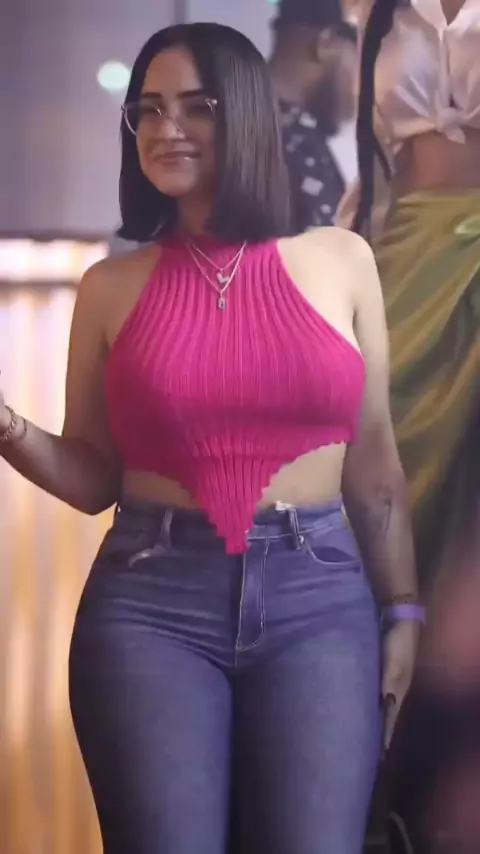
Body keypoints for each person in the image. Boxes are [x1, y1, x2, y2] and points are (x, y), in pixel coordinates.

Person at [0, 23, 421, 854]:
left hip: (321, 602)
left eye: (198, 107)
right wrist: (8, 428)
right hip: (152, 605)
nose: (167, 129)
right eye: (149, 110)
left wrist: (403, 608)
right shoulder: (109, 287)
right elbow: (93, 477)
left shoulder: (343, 261)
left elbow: (374, 463)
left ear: (249, 116)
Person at [339, 1, 480, 849]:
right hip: (403, 265)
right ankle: (388, 795)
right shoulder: (379, 9)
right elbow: (377, 167)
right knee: (380, 511)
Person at [269, 0, 358, 231]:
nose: (359, 87)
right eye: (361, 62)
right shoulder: (294, 142)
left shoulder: (228, 118)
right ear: (326, 43)